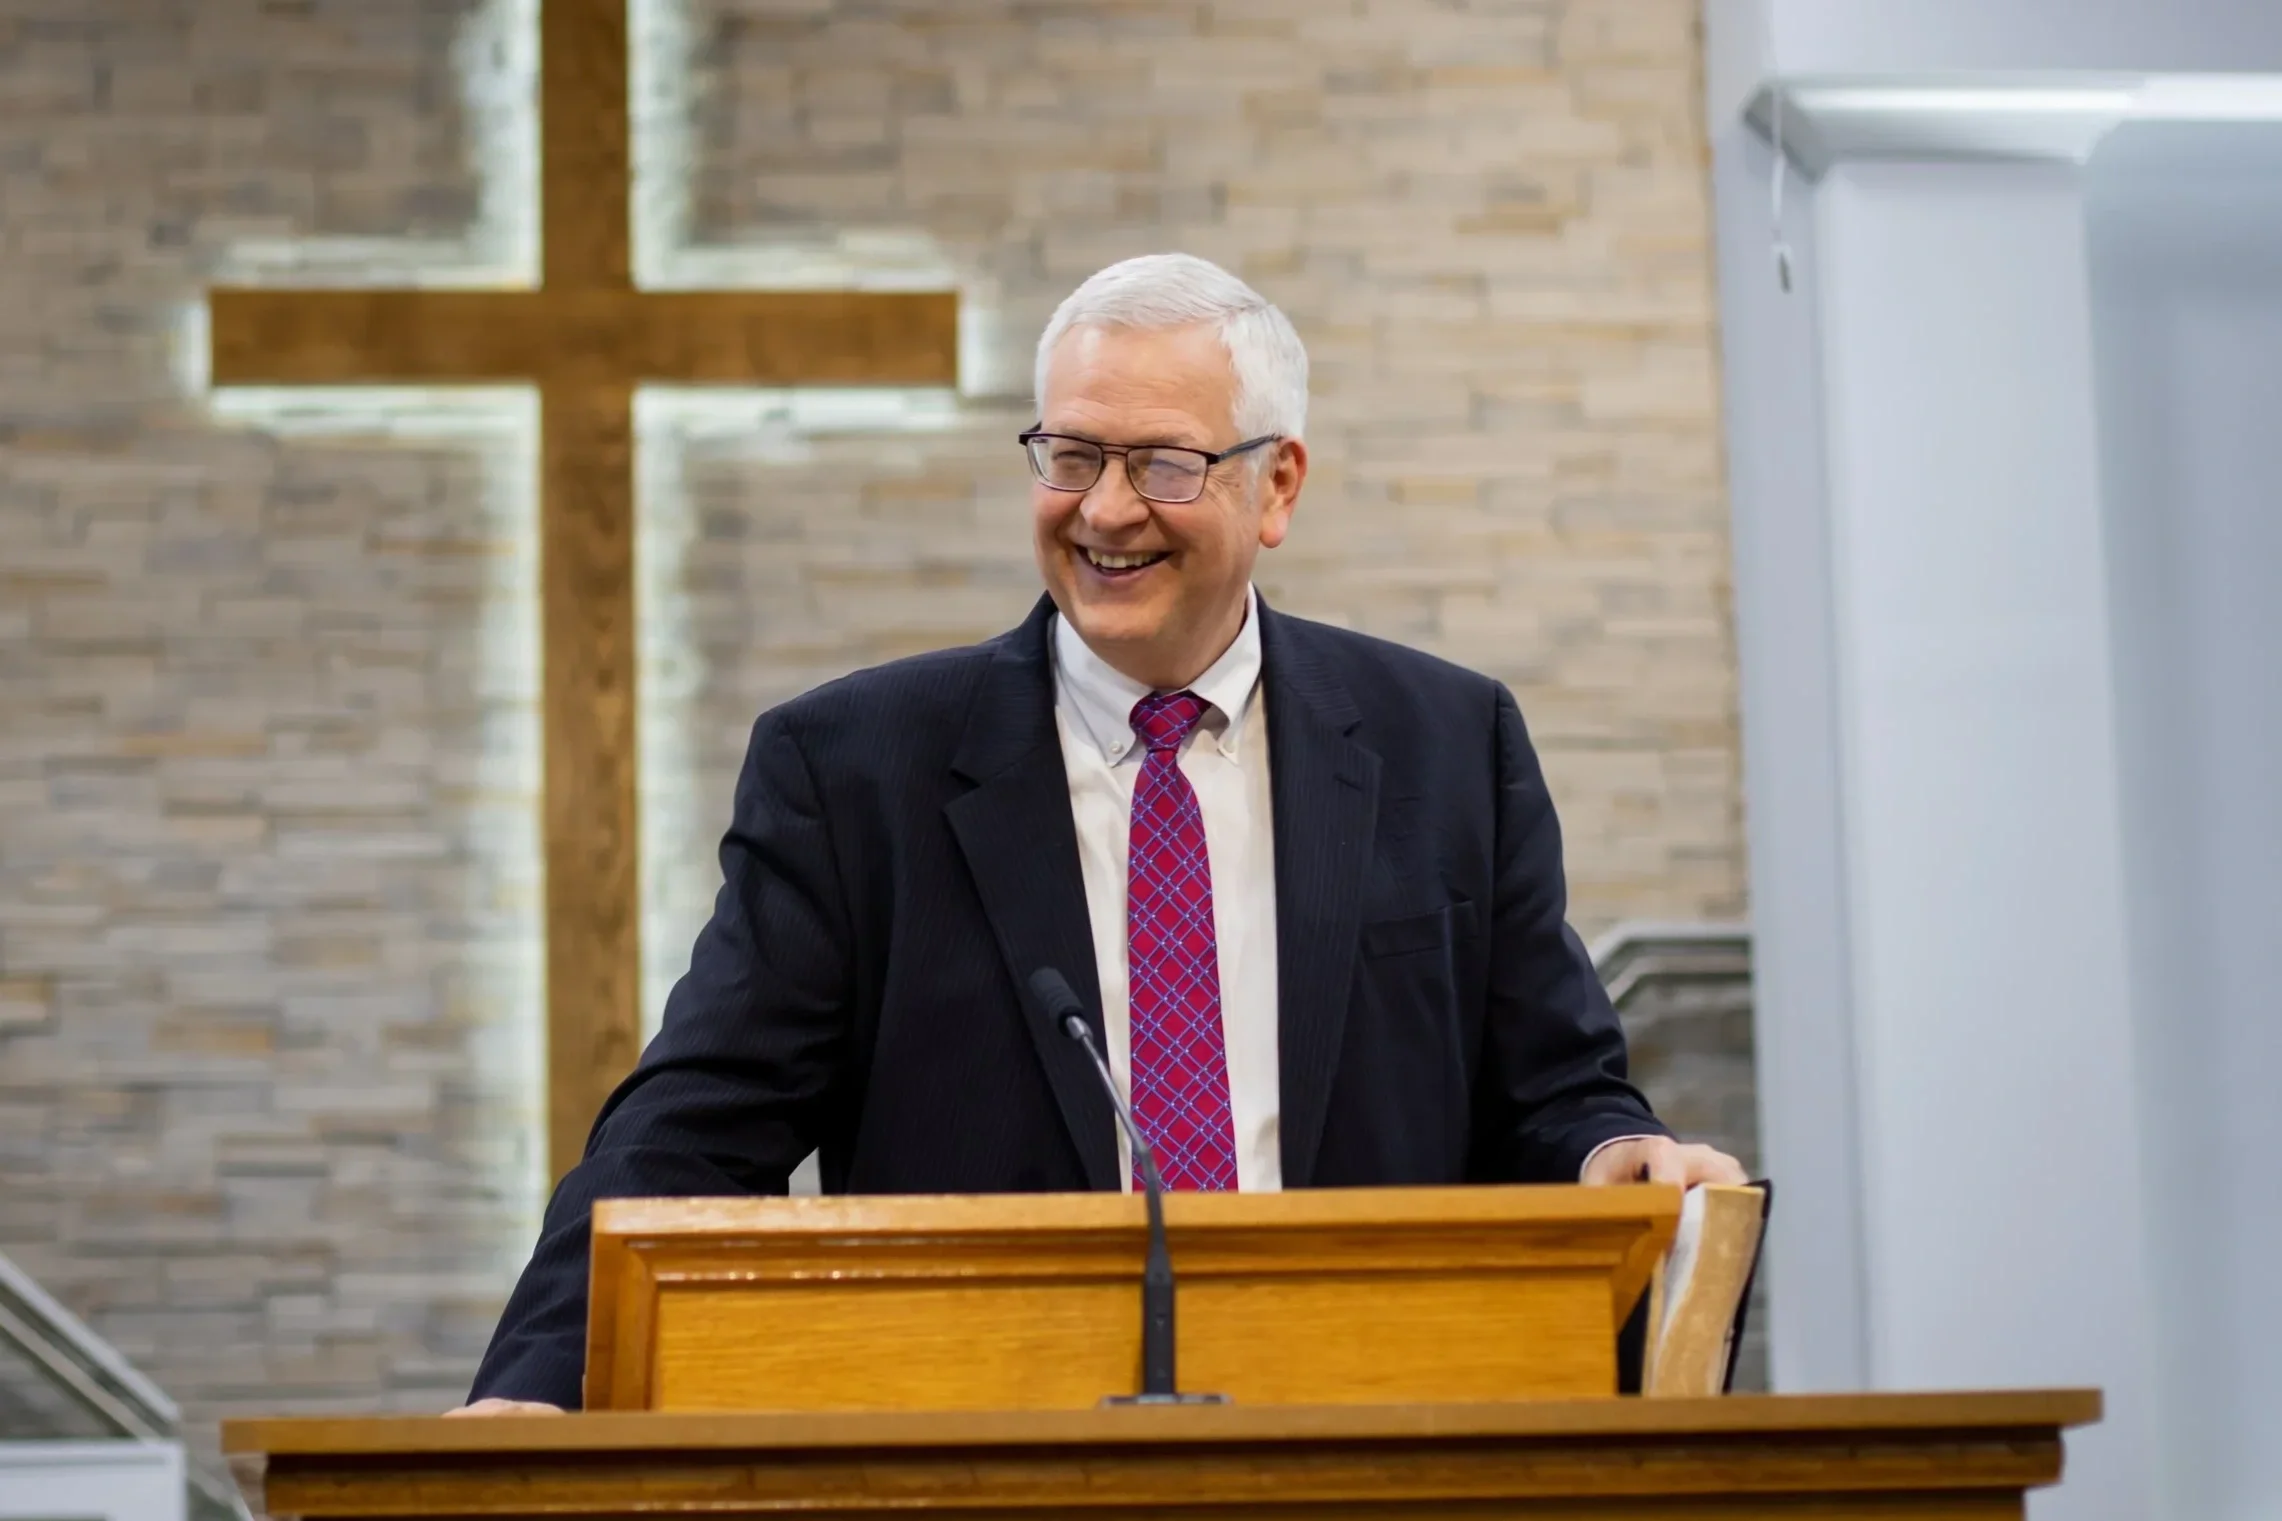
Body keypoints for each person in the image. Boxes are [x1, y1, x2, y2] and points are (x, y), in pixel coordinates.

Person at [456, 253, 1744, 1414]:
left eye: (1164, 465)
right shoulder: (855, 770)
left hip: (1361, 1434)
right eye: (1071, 457)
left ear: (1277, 484)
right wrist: (536, 1392)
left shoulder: (1444, 744)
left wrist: (1611, 1151)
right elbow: (693, 1124)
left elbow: (1553, 1089)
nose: (1106, 510)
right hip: (982, 1448)